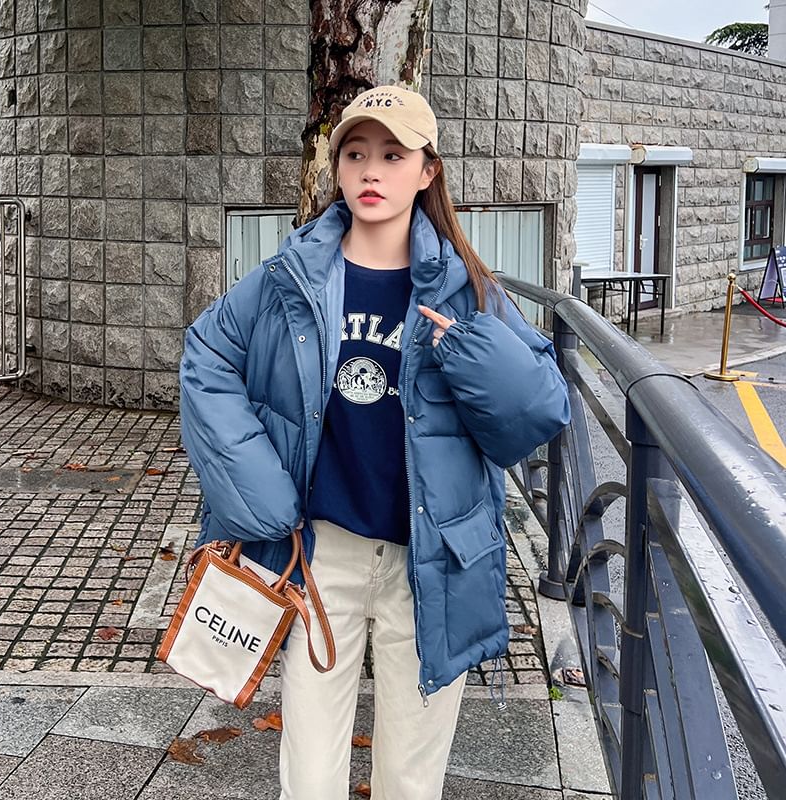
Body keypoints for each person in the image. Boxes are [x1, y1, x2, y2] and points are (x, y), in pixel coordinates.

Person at [178, 84, 570, 800]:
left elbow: (539, 413)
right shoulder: (290, 277)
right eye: (355, 154)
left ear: (427, 171)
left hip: (432, 560)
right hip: (318, 550)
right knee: (309, 766)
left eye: (393, 155)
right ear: (336, 168)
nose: (371, 172)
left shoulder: (466, 289)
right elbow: (206, 353)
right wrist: (257, 492)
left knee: (412, 773)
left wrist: (472, 355)